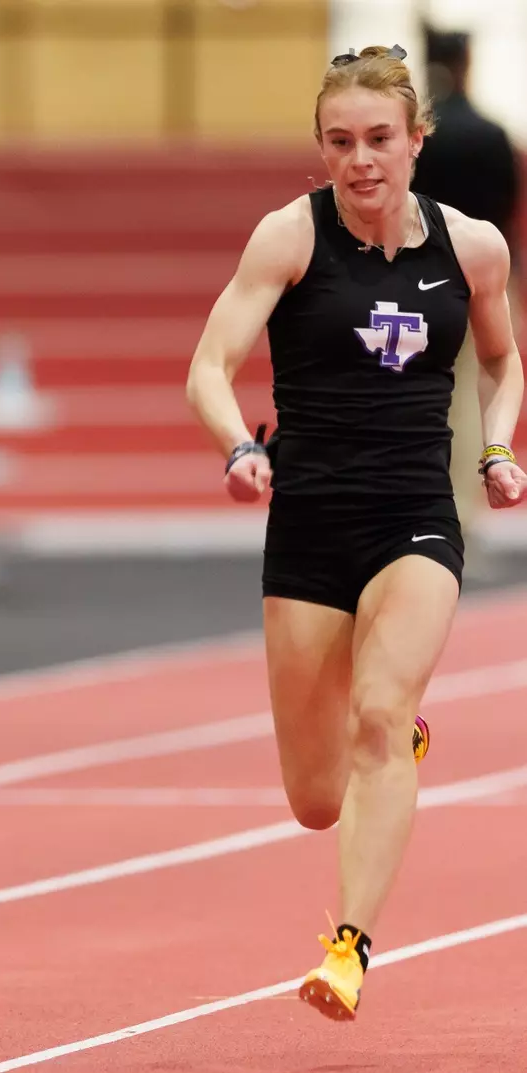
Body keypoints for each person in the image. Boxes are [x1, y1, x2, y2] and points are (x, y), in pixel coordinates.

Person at [185, 44, 527, 1021]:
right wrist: (235, 448)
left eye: (380, 139)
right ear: (321, 148)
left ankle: (349, 947)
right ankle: (394, 742)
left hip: (415, 515)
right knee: (315, 797)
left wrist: (497, 449)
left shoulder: (474, 248)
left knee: (380, 715)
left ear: (417, 140)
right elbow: (210, 364)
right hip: (309, 522)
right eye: (340, 142)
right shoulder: (288, 238)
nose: (361, 160)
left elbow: (504, 362)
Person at [414, 27, 522, 563]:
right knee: (473, 396)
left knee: (421, 398)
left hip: (423, 281)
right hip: (485, 280)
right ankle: (461, 519)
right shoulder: (491, 133)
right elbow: (506, 211)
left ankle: (426, 515)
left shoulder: (418, 138)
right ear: (466, 64)